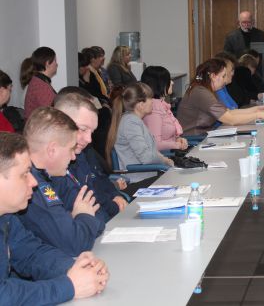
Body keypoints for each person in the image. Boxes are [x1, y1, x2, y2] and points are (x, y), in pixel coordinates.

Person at [0, 132, 109, 304]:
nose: (34, 182)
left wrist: (74, 268)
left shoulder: (6, 217)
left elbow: (31, 253)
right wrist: (69, 286)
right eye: (24, 174)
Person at [19, 107, 105, 257]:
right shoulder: (31, 187)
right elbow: (75, 243)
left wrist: (76, 219)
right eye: (71, 149)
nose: (73, 157)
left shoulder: (56, 175)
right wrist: (79, 217)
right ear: (52, 150)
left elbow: (98, 217)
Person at [54, 91, 128, 222]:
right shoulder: (53, 168)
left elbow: (96, 186)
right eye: (83, 129)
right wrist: (114, 207)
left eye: (91, 132)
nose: (89, 139)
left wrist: (115, 196)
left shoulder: (79, 156)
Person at [176, 59, 264, 134]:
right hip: (194, 142)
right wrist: (258, 115)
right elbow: (230, 119)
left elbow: (229, 112)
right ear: (213, 76)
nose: (225, 80)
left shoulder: (206, 90)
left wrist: (256, 109)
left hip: (202, 137)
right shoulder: (201, 92)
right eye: (223, 76)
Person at [105, 82, 173, 185]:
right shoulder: (131, 123)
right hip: (138, 181)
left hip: (146, 177)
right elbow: (147, 158)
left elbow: (150, 152)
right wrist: (164, 160)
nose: (153, 102)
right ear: (141, 105)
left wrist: (164, 159)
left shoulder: (133, 120)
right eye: (150, 98)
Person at [141, 66, 188, 151]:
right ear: (159, 84)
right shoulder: (153, 109)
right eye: (168, 80)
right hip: (164, 156)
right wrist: (177, 145)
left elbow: (167, 135)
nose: (172, 82)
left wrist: (178, 139)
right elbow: (155, 144)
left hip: (170, 152)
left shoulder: (161, 104)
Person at [21, 46, 58, 119]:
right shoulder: (40, 86)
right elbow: (52, 113)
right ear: (47, 63)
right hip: (39, 125)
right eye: (55, 61)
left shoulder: (39, 81)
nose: (57, 64)